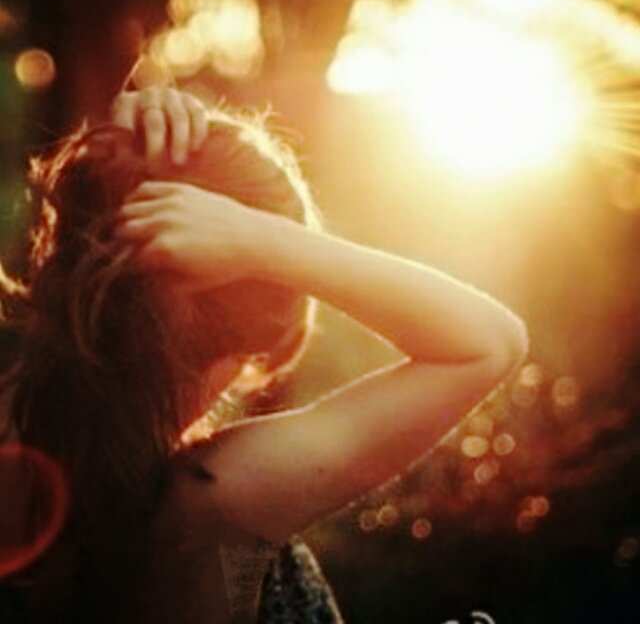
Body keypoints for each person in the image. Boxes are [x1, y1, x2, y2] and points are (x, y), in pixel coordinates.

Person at [0, 86, 529, 623]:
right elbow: (490, 343)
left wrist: (127, 148)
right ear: (243, 349)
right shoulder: (217, 499)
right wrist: (264, 241)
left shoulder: (28, 447)